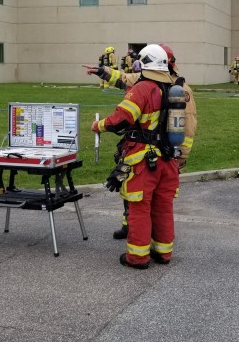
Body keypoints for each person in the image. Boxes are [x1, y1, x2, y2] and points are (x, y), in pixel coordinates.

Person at [84, 43, 197, 239]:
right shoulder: (151, 80)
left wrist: (181, 156)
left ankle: (140, 244)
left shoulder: (173, 89)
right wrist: (102, 71)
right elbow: (123, 78)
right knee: (144, 198)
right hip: (155, 153)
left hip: (150, 154)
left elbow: (188, 125)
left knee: (141, 201)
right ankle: (137, 232)